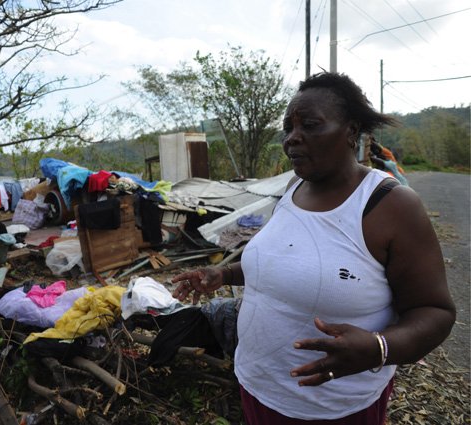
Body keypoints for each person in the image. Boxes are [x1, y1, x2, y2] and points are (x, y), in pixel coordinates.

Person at [172, 72, 455, 424]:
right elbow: (283, 260)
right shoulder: (293, 189)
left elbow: (435, 312)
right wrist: (223, 273)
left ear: (351, 131)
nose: (292, 138)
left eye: (309, 125)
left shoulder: (389, 205)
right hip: (257, 386)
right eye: (288, 127)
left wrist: (378, 348)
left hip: (333, 408)